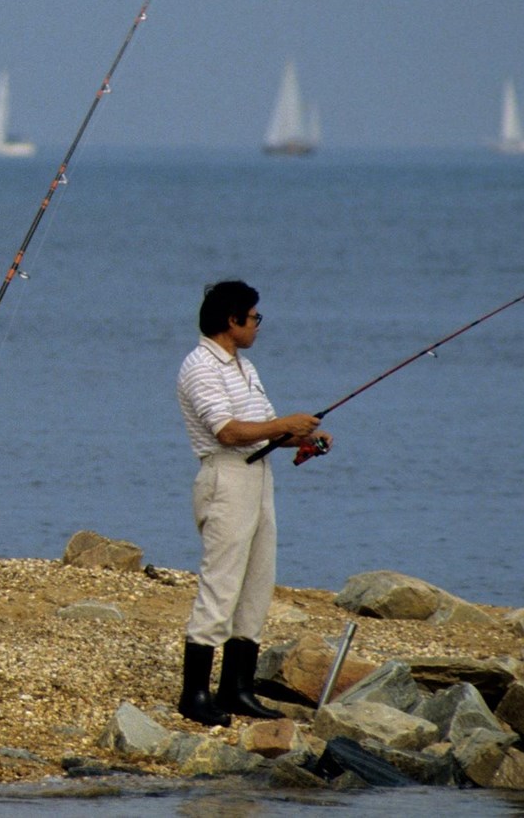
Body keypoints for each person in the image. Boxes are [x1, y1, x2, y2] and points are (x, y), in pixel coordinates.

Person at [174, 280, 331, 726]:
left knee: (257, 583)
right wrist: (284, 423)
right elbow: (227, 431)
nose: (258, 325)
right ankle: (195, 694)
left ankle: (237, 689)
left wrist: (303, 438)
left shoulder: (245, 367)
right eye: (254, 317)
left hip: (257, 477)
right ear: (232, 320)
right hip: (225, 476)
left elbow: (259, 430)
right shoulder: (200, 366)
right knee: (220, 583)